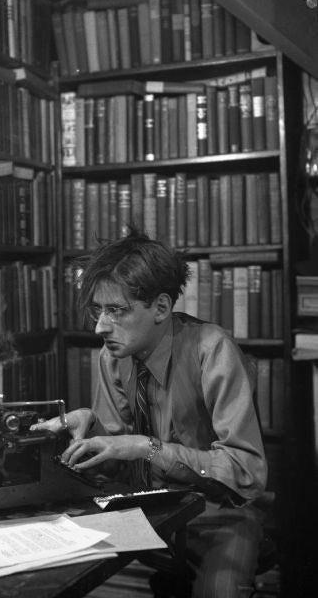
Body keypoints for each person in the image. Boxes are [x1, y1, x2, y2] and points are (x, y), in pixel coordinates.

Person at [32, 228, 267, 598]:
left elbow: (247, 470)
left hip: (218, 517)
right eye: (98, 310)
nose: (99, 326)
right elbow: (116, 460)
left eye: (116, 311)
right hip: (146, 514)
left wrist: (148, 447)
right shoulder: (112, 354)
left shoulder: (212, 350)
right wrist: (90, 429)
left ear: (160, 308)